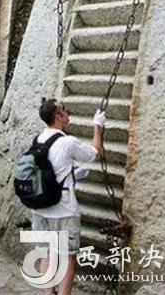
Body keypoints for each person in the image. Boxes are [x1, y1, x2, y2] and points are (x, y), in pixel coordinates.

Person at [31, 98, 106, 295]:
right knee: (67, 256)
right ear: (58, 117)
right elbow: (95, 153)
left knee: (47, 253)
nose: (68, 113)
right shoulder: (67, 142)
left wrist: (73, 173)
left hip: (39, 208)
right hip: (63, 210)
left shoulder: (38, 140)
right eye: (65, 110)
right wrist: (97, 126)